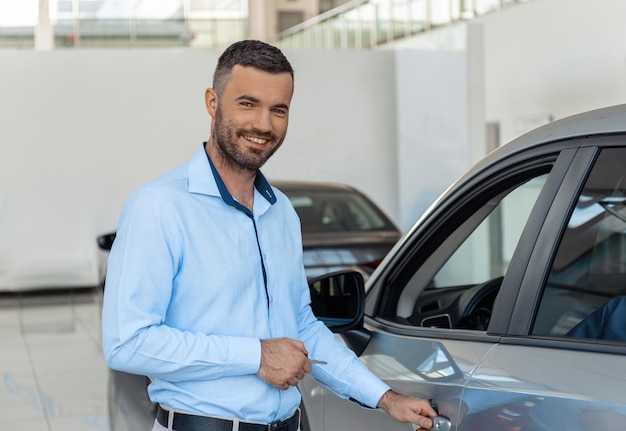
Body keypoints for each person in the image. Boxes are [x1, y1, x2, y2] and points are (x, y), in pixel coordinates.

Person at [102, 39, 437, 431]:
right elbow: (128, 343)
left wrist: (385, 398)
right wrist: (255, 356)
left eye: (278, 110)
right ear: (212, 102)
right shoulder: (159, 206)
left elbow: (302, 325)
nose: (263, 124)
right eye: (247, 104)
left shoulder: (281, 212)